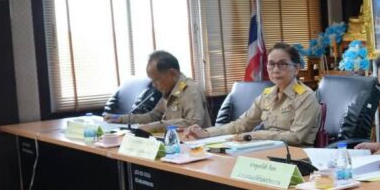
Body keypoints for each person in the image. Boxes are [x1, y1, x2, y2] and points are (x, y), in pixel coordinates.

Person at [185, 42, 320, 147]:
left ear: (296, 69)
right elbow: (241, 125)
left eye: (282, 64)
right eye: (271, 64)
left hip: (297, 156)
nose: (276, 70)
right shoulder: (267, 95)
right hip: (266, 149)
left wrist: (256, 135)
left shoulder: (306, 96)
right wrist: (206, 133)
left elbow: (296, 137)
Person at [104, 50, 210, 133]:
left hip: (196, 146)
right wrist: (120, 119)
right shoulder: (170, 91)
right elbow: (152, 116)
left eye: (156, 80)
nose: (154, 85)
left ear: (172, 74)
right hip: (176, 142)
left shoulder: (190, 89)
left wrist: (156, 126)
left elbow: (193, 123)